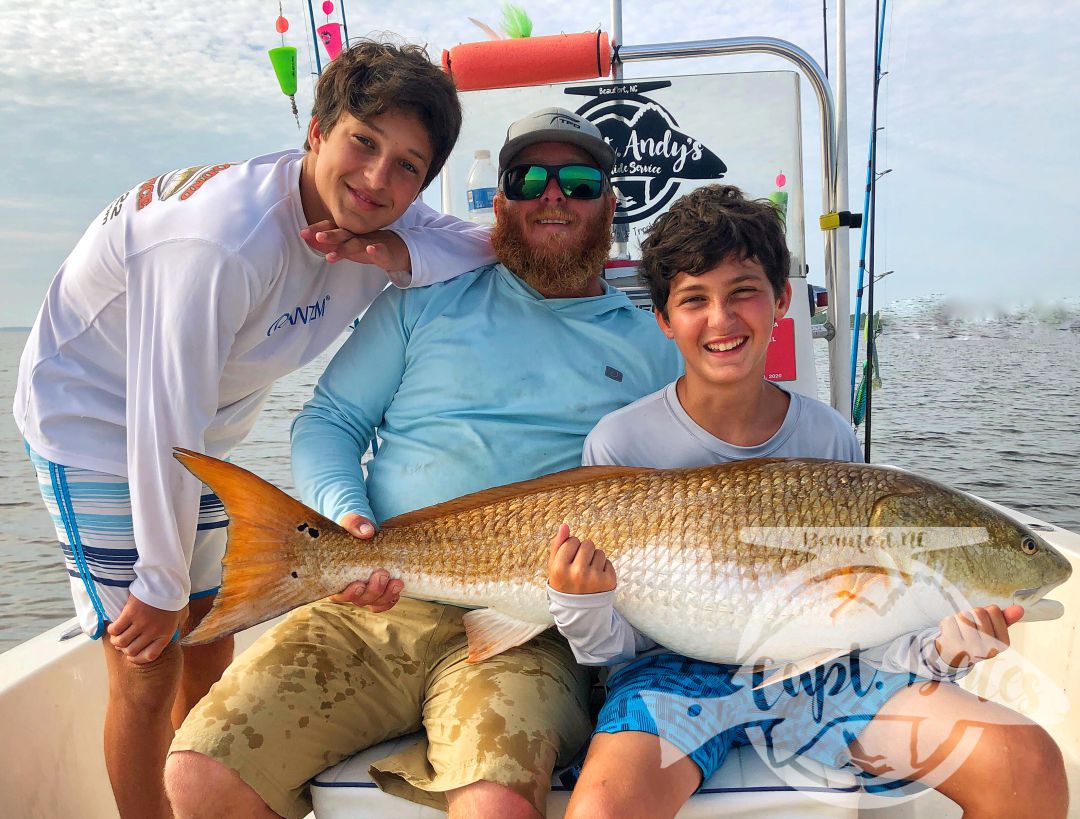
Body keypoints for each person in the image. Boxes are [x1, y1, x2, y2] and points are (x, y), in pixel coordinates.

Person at [14, 41, 496, 819]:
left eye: (407, 166)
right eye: (362, 144)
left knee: (212, 635)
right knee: (147, 659)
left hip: (202, 432)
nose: (378, 179)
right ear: (316, 132)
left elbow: (485, 241)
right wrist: (159, 583)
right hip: (96, 420)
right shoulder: (223, 241)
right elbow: (160, 412)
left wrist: (393, 249)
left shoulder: (379, 222)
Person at [164, 106, 683, 819]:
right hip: (374, 604)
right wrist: (347, 517)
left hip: (534, 629)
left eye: (579, 180)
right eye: (529, 178)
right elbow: (329, 420)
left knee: (495, 806)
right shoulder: (424, 300)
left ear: (609, 204)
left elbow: (695, 487)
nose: (552, 195)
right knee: (200, 777)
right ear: (499, 203)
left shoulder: (654, 347)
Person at [544, 184, 1068, 819]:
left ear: (780, 299)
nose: (721, 319)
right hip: (670, 677)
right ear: (663, 318)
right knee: (603, 808)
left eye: (744, 291)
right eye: (693, 300)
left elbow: (865, 628)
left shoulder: (830, 437)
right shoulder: (620, 441)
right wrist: (580, 603)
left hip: (833, 677)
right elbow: (613, 650)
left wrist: (943, 649)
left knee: (1024, 760)